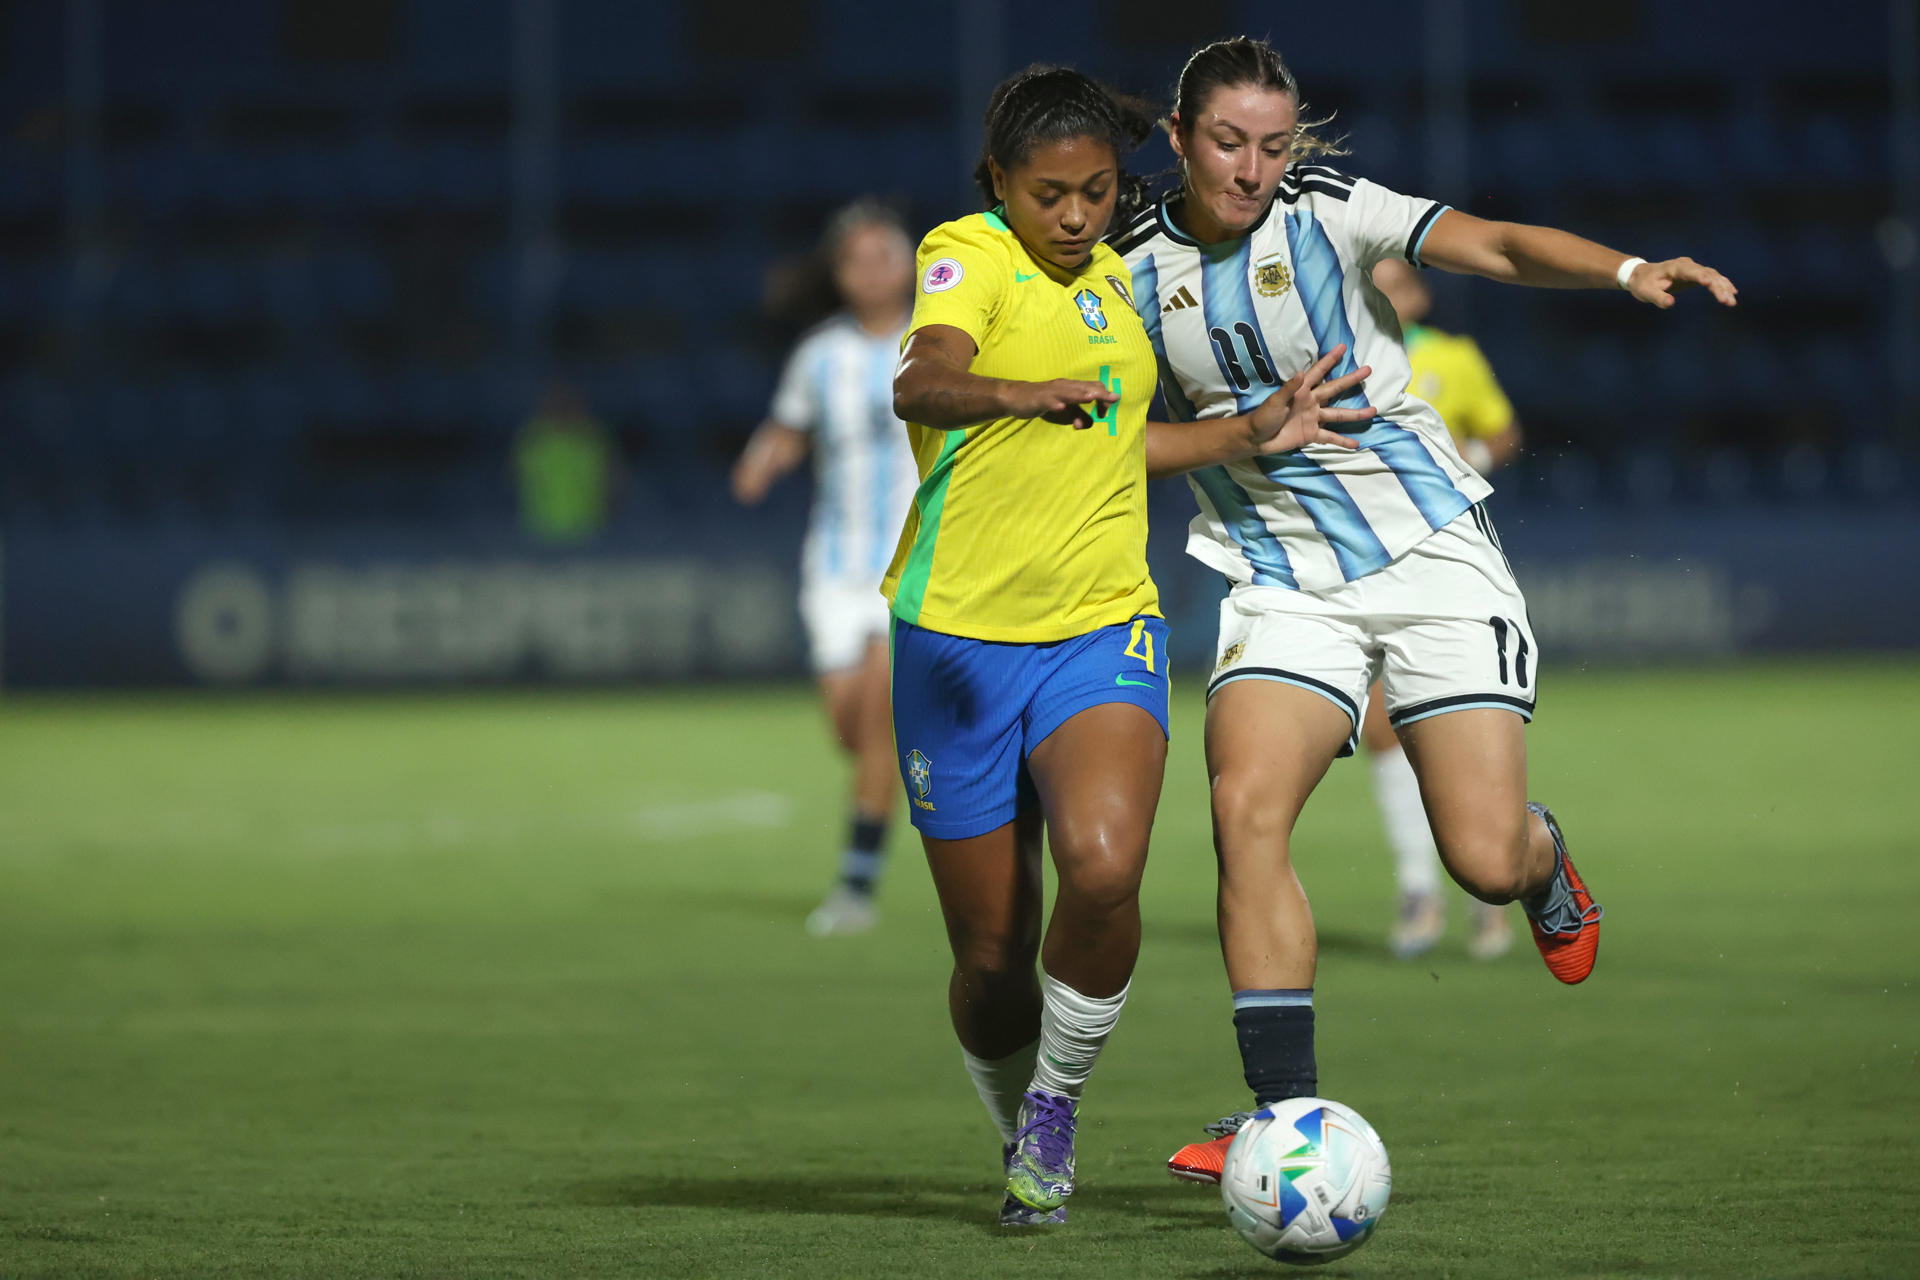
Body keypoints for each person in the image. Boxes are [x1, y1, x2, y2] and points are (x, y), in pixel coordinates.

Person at [1110, 36, 1736, 1183]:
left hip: (1428, 555)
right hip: (1279, 572)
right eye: (1226, 142)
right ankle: (1283, 1117)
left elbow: (1492, 241)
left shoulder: (1333, 208)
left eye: (1272, 143)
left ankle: (1544, 865)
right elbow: (1108, 436)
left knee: (1484, 862)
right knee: (1244, 807)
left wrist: (1626, 269)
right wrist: (1237, 436)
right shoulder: (1125, 264)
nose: (1252, 169)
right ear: (1178, 138)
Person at [886, 64, 1375, 1228]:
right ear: (999, 181)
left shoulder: (1116, 279)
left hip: (1104, 623)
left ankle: (1053, 1110)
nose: (1074, 216)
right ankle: (1014, 1109)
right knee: (994, 969)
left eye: (1098, 192)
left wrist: (1248, 430)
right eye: (1049, 192)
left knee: (1105, 866)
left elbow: (1116, 445)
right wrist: (1011, 393)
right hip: (953, 643)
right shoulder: (966, 255)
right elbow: (923, 378)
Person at [731, 200, 920, 937]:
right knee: (851, 727)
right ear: (839, 275)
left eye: (886, 253)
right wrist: (763, 458)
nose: (874, 269)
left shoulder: (938, 342)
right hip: (834, 568)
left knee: (878, 716)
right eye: (859, 258)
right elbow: (788, 426)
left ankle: (855, 884)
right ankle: (907, 780)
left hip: (908, 566)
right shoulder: (819, 356)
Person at [1369, 256, 1524, 960]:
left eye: (1395, 284)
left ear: (1421, 294)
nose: (1383, 296)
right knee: (1381, 730)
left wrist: (1467, 462)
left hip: (1443, 564)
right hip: (1360, 565)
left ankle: (1487, 894)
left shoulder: (1453, 358)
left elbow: (1501, 433)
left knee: (1454, 730)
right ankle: (1417, 890)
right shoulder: (1331, 354)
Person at [514, 383, 616, 543]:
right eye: (557, 403)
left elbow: (613, 480)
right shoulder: (533, 439)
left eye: (568, 403)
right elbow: (518, 479)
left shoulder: (593, 439)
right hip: (541, 530)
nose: (563, 409)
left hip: (588, 530)